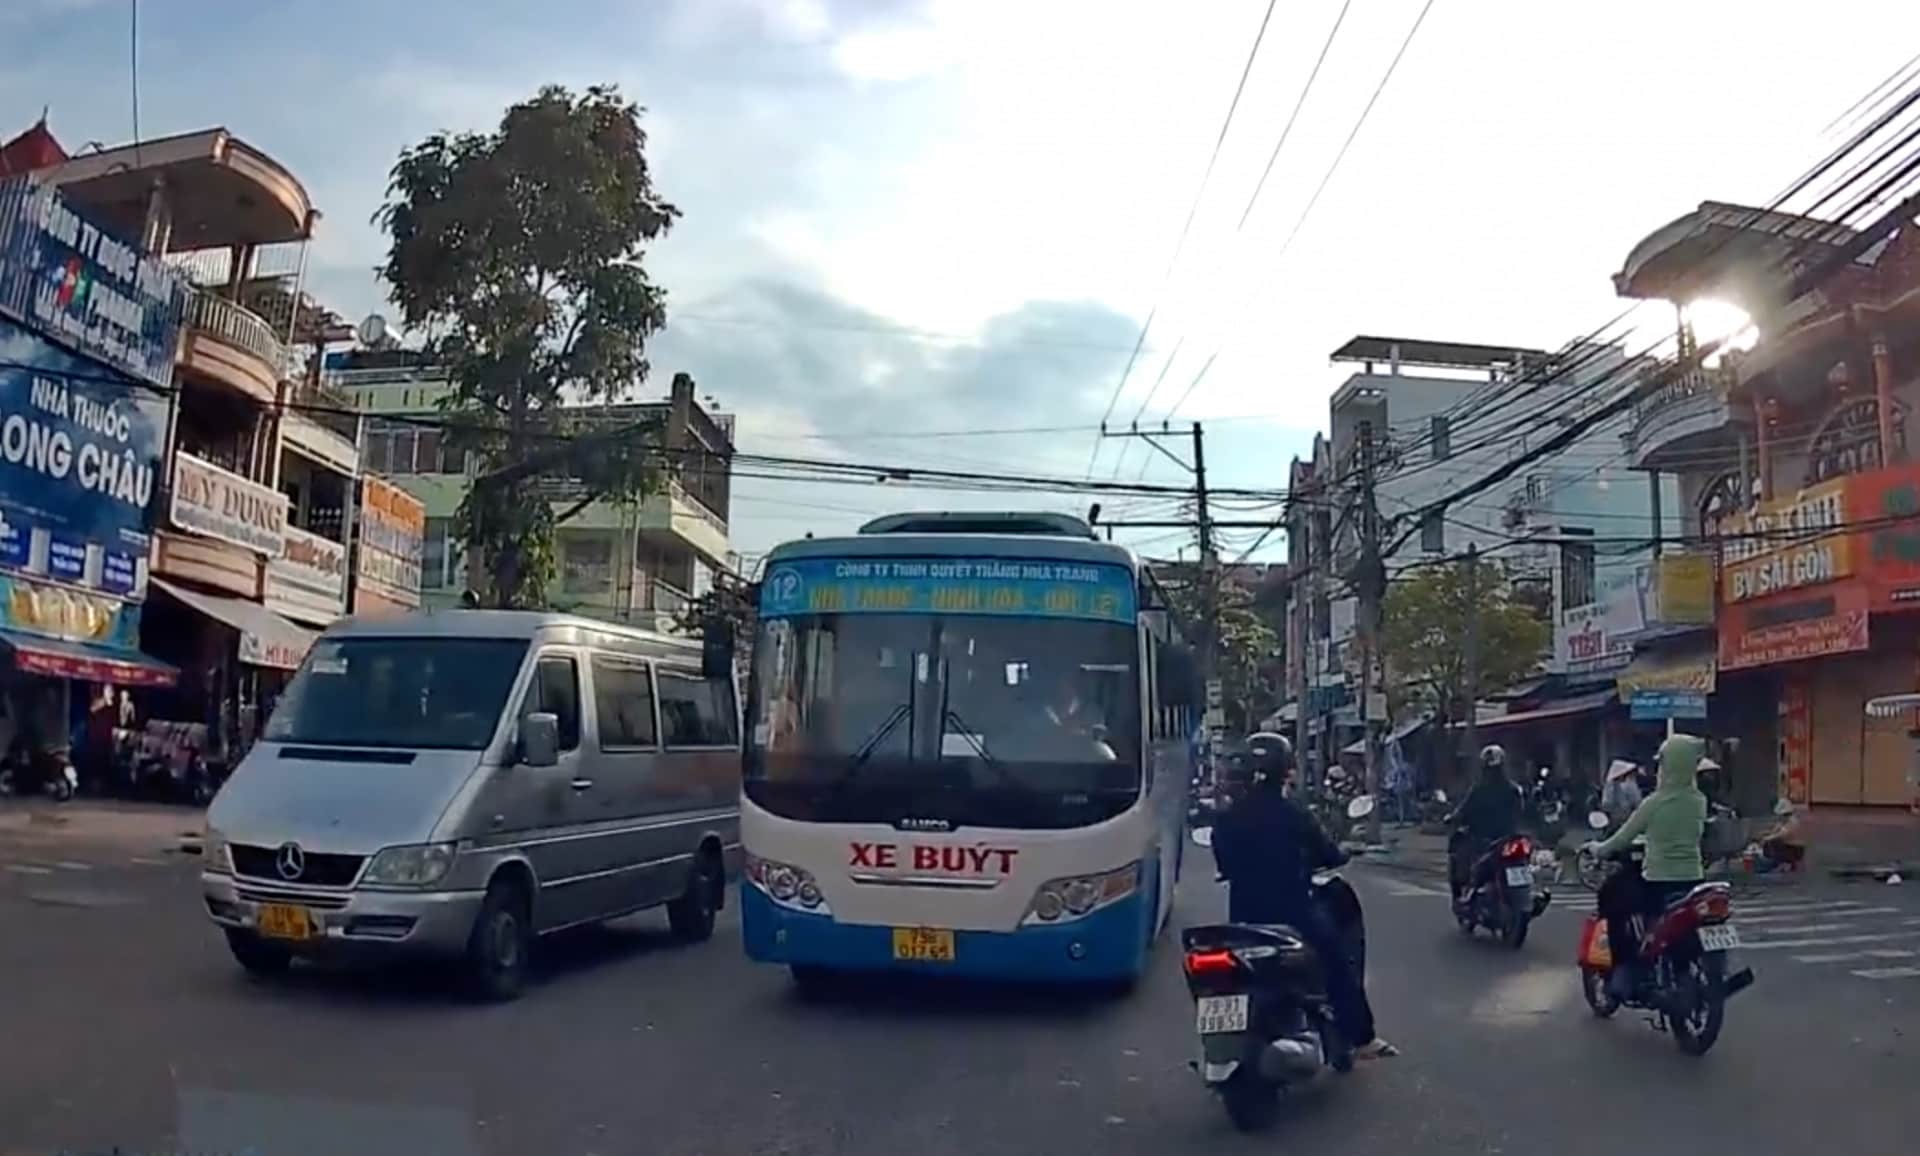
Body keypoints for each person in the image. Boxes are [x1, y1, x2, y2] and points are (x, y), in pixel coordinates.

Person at [1212, 731, 1397, 1060]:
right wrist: (1341, 853)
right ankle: (1361, 1038)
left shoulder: (1227, 818)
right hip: (1294, 913)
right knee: (1337, 963)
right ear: (1285, 770)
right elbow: (1327, 851)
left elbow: (1224, 862)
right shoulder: (1294, 813)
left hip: (1244, 919)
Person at [1582, 733, 1708, 999]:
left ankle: (1625, 966)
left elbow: (1623, 837)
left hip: (1658, 880)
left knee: (1611, 896)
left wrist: (1598, 849)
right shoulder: (1699, 801)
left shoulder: (1654, 802)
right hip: (1693, 879)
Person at [1448, 743, 1525, 901]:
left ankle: (1469, 893)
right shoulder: (1513, 789)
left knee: (1463, 857)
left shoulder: (1479, 789)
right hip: (1508, 837)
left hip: (1486, 839)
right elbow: (1523, 811)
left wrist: (1453, 818)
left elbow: (1463, 809)